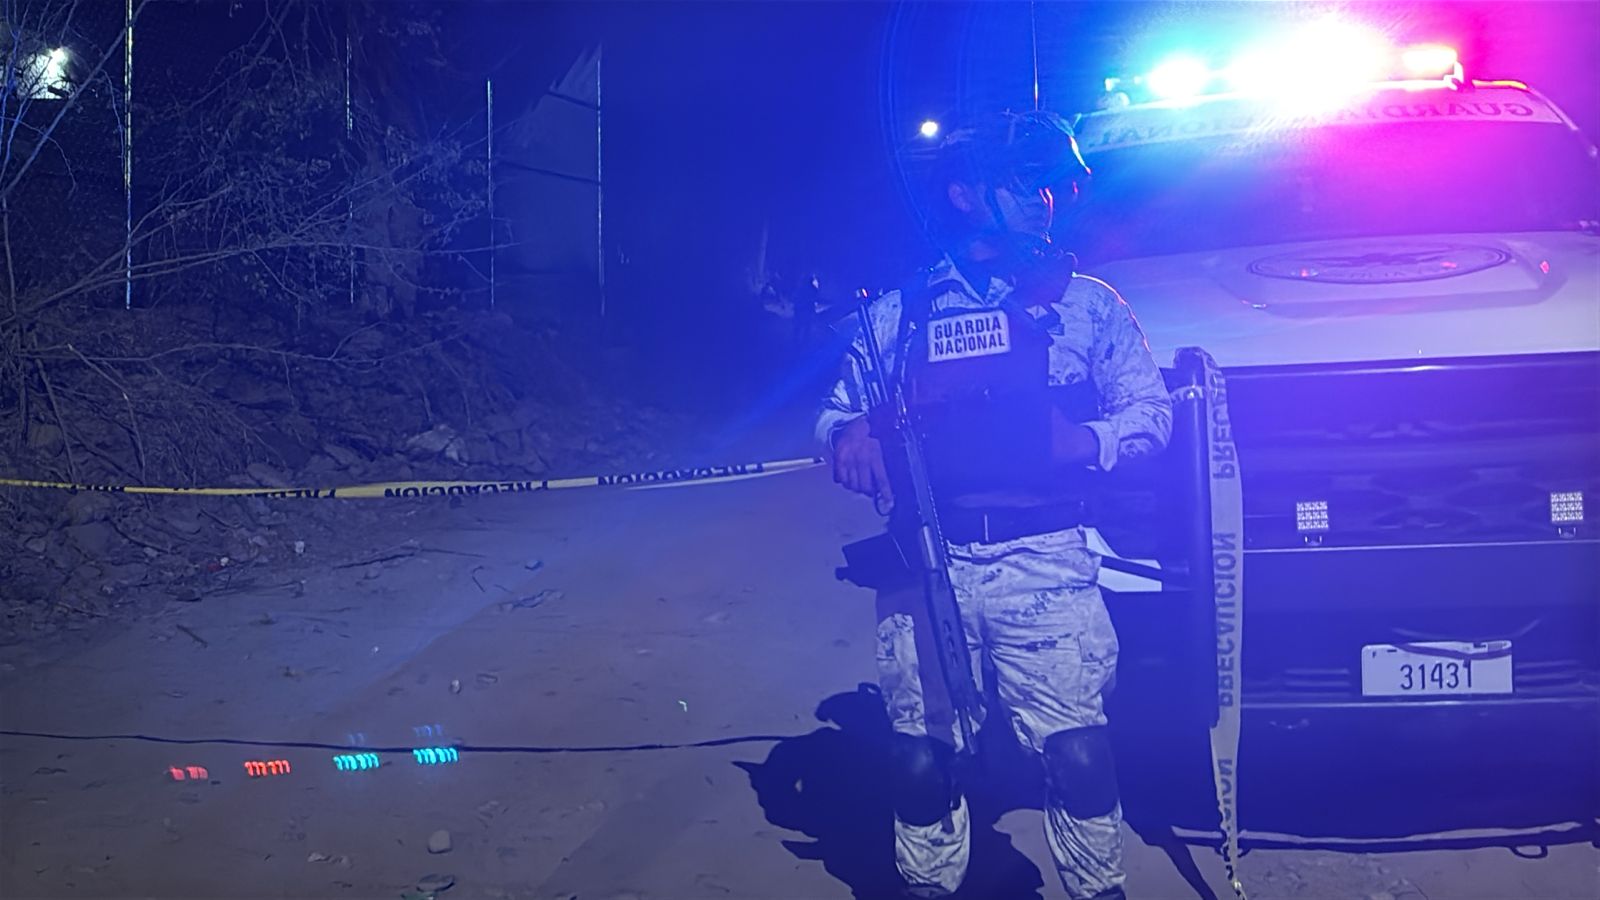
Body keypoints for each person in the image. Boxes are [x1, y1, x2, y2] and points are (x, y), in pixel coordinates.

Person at [815, 110, 1172, 900]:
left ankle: (1098, 890)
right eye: (1022, 184)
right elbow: (836, 413)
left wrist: (1083, 442)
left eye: (1052, 186)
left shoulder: (1088, 306)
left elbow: (1151, 414)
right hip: (928, 559)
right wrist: (849, 435)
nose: (1044, 201)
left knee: (1078, 754)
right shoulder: (901, 315)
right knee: (920, 758)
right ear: (966, 194)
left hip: (1045, 557)